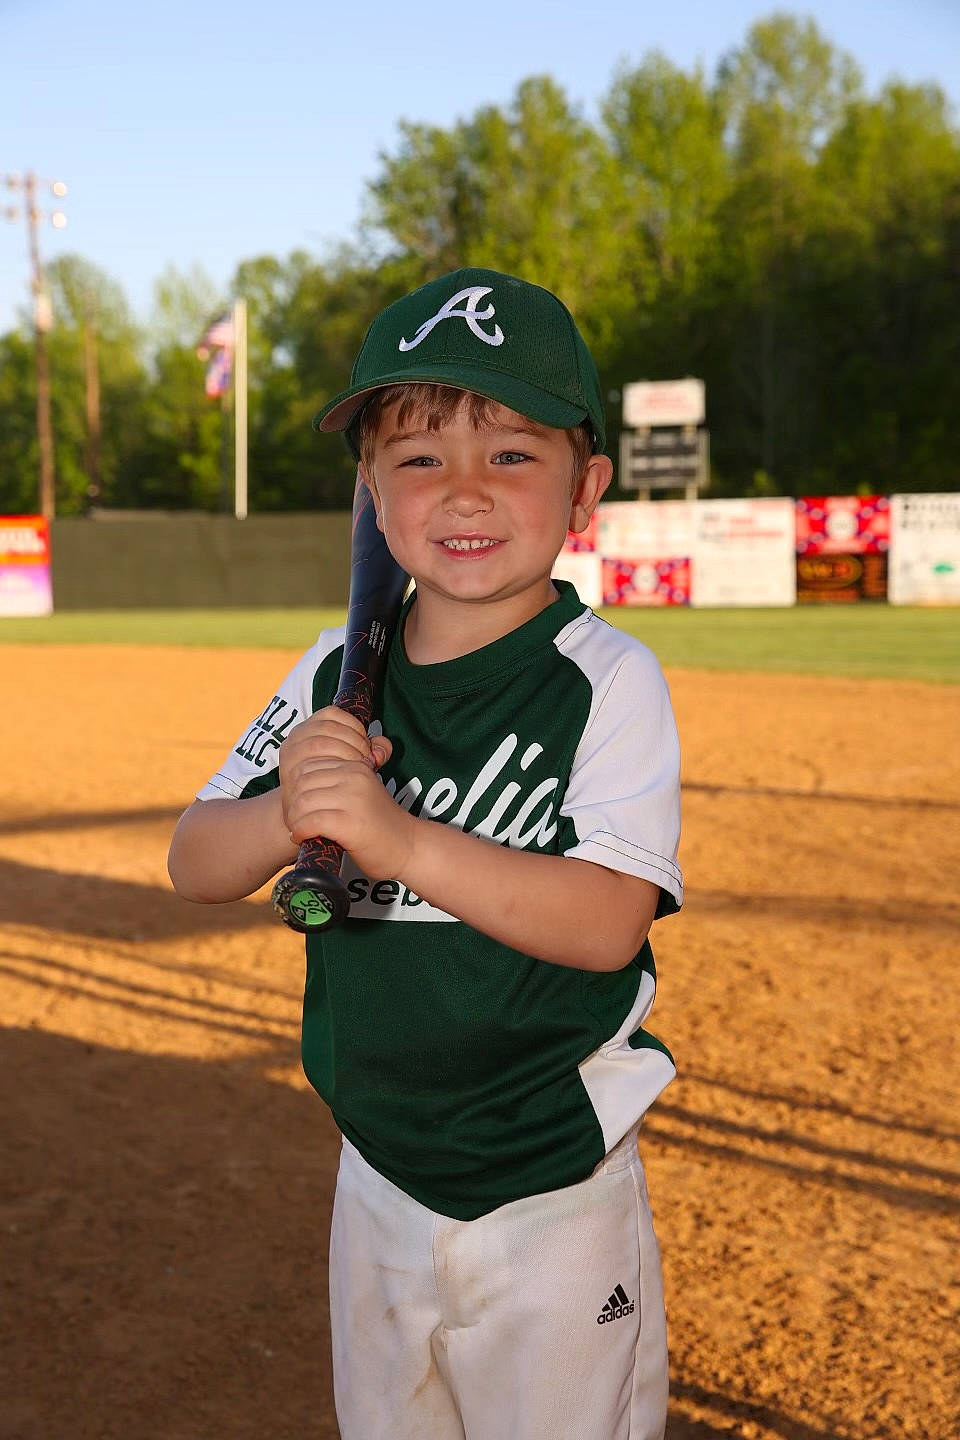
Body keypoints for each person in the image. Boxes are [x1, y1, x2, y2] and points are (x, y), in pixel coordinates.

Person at [167, 267, 683, 1440]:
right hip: (379, 1172)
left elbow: (607, 923)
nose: (464, 489)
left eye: (511, 454)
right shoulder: (334, 670)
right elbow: (195, 859)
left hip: (551, 1185)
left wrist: (394, 836)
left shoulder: (605, 681)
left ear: (584, 487)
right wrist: (289, 806)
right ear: (372, 494)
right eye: (416, 458)